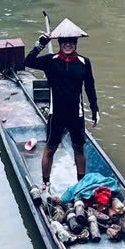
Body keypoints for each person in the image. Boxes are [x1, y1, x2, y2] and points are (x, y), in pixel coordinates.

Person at [25, 18, 98, 187]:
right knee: (50, 148)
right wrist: (40, 44)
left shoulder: (84, 63)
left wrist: (95, 109)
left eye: (71, 41)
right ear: (59, 43)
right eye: (64, 41)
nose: (68, 44)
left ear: (76, 43)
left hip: (76, 115)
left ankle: (81, 184)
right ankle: (46, 184)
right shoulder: (50, 61)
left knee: (79, 148)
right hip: (56, 114)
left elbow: (90, 87)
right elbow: (28, 62)